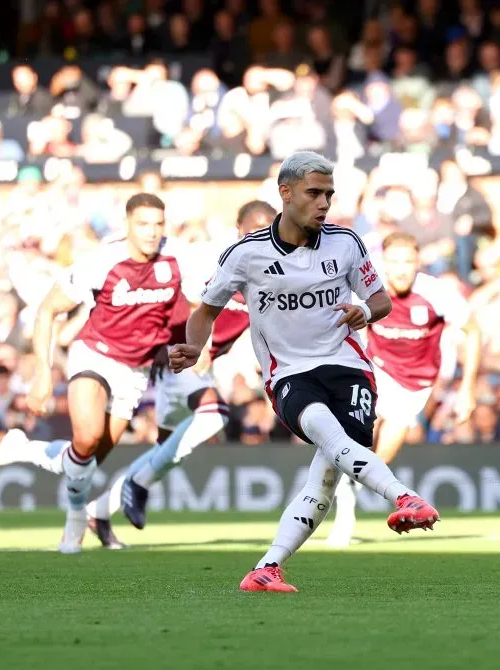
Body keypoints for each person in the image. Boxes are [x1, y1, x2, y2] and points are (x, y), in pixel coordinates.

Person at [168, 151, 440, 592]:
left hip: (349, 367)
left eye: (329, 194)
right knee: (331, 441)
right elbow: (206, 311)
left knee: (328, 474)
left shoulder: (346, 243)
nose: (324, 203)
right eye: (314, 193)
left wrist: (364, 313)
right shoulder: (246, 254)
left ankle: (267, 568)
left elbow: (381, 300)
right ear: (286, 192)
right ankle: (403, 496)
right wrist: (194, 347)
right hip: (290, 373)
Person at [0, 193, 197, 553]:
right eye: (143, 224)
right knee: (87, 438)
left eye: (158, 224)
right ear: (127, 225)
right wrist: (43, 375)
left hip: (135, 371)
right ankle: (76, 519)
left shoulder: (179, 257)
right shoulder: (102, 261)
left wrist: (188, 344)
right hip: (95, 355)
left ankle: (21, 449)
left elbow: (202, 303)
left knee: (85, 458)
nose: (152, 232)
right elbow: (47, 310)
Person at [85, 200, 277, 549]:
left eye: (269, 232)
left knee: (166, 451)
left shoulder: (274, 274)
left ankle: (99, 510)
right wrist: (194, 343)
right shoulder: (213, 260)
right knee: (213, 414)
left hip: (195, 367)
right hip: (177, 355)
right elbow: (181, 298)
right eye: (254, 233)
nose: (262, 239)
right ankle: (138, 482)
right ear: (239, 231)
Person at [326, 231, 481, 547]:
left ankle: (351, 489)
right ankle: (344, 509)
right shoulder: (368, 290)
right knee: (355, 437)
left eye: (408, 261)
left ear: (418, 262)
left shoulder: (437, 293)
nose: (401, 269)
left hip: (415, 383)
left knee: (381, 455)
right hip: (375, 370)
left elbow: (474, 331)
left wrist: (467, 389)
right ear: (383, 262)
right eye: (394, 261)